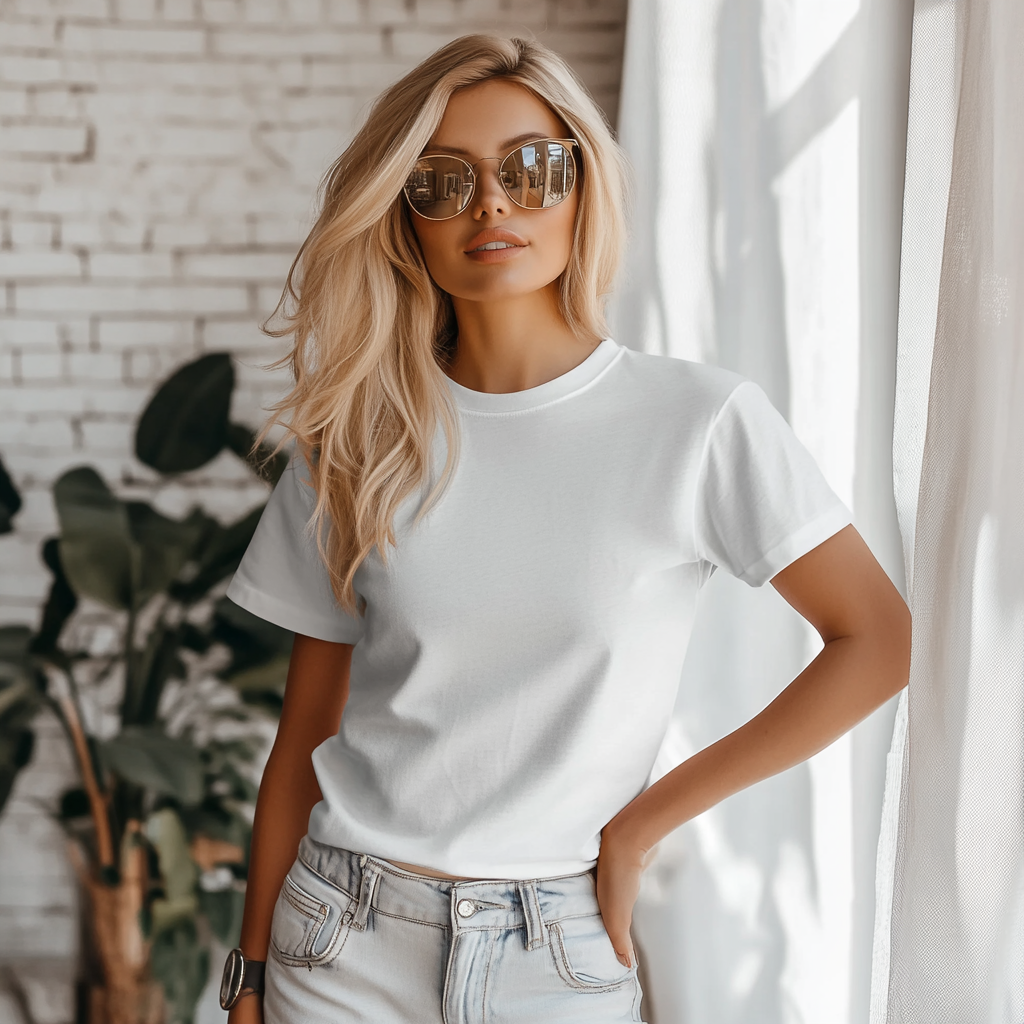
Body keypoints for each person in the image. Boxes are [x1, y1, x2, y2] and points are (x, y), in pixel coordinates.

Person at [218, 34, 911, 1024]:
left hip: (556, 947)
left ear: (581, 187)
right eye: (442, 181)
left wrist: (643, 823)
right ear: (403, 217)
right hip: (341, 939)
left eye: (530, 170)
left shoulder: (695, 421)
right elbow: (303, 738)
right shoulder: (357, 442)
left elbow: (877, 639)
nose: (492, 205)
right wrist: (246, 980)